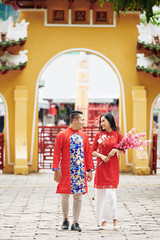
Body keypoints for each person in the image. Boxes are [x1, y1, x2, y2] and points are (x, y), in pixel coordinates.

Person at [52, 110, 94, 232]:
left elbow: (87, 154)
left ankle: (75, 221)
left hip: (80, 172)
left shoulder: (84, 136)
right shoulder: (62, 135)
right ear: (74, 120)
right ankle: (65, 219)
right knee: (64, 195)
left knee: (78, 196)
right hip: (66, 171)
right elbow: (56, 153)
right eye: (82, 120)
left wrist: (89, 170)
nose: (84, 122)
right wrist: (56, 170)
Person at [91, 113, 124, 230]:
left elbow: (122, 152)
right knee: (100, 195)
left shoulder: (118, 135)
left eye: (103, 121)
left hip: (112, 167)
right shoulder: (98, 135)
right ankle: (102, 220)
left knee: (111, 194)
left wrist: (115, 150)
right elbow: (92, 151)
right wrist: (102, 156)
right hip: (101, 167)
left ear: (110, 121)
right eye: (101, 121)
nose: (101, 124)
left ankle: (115, 219)